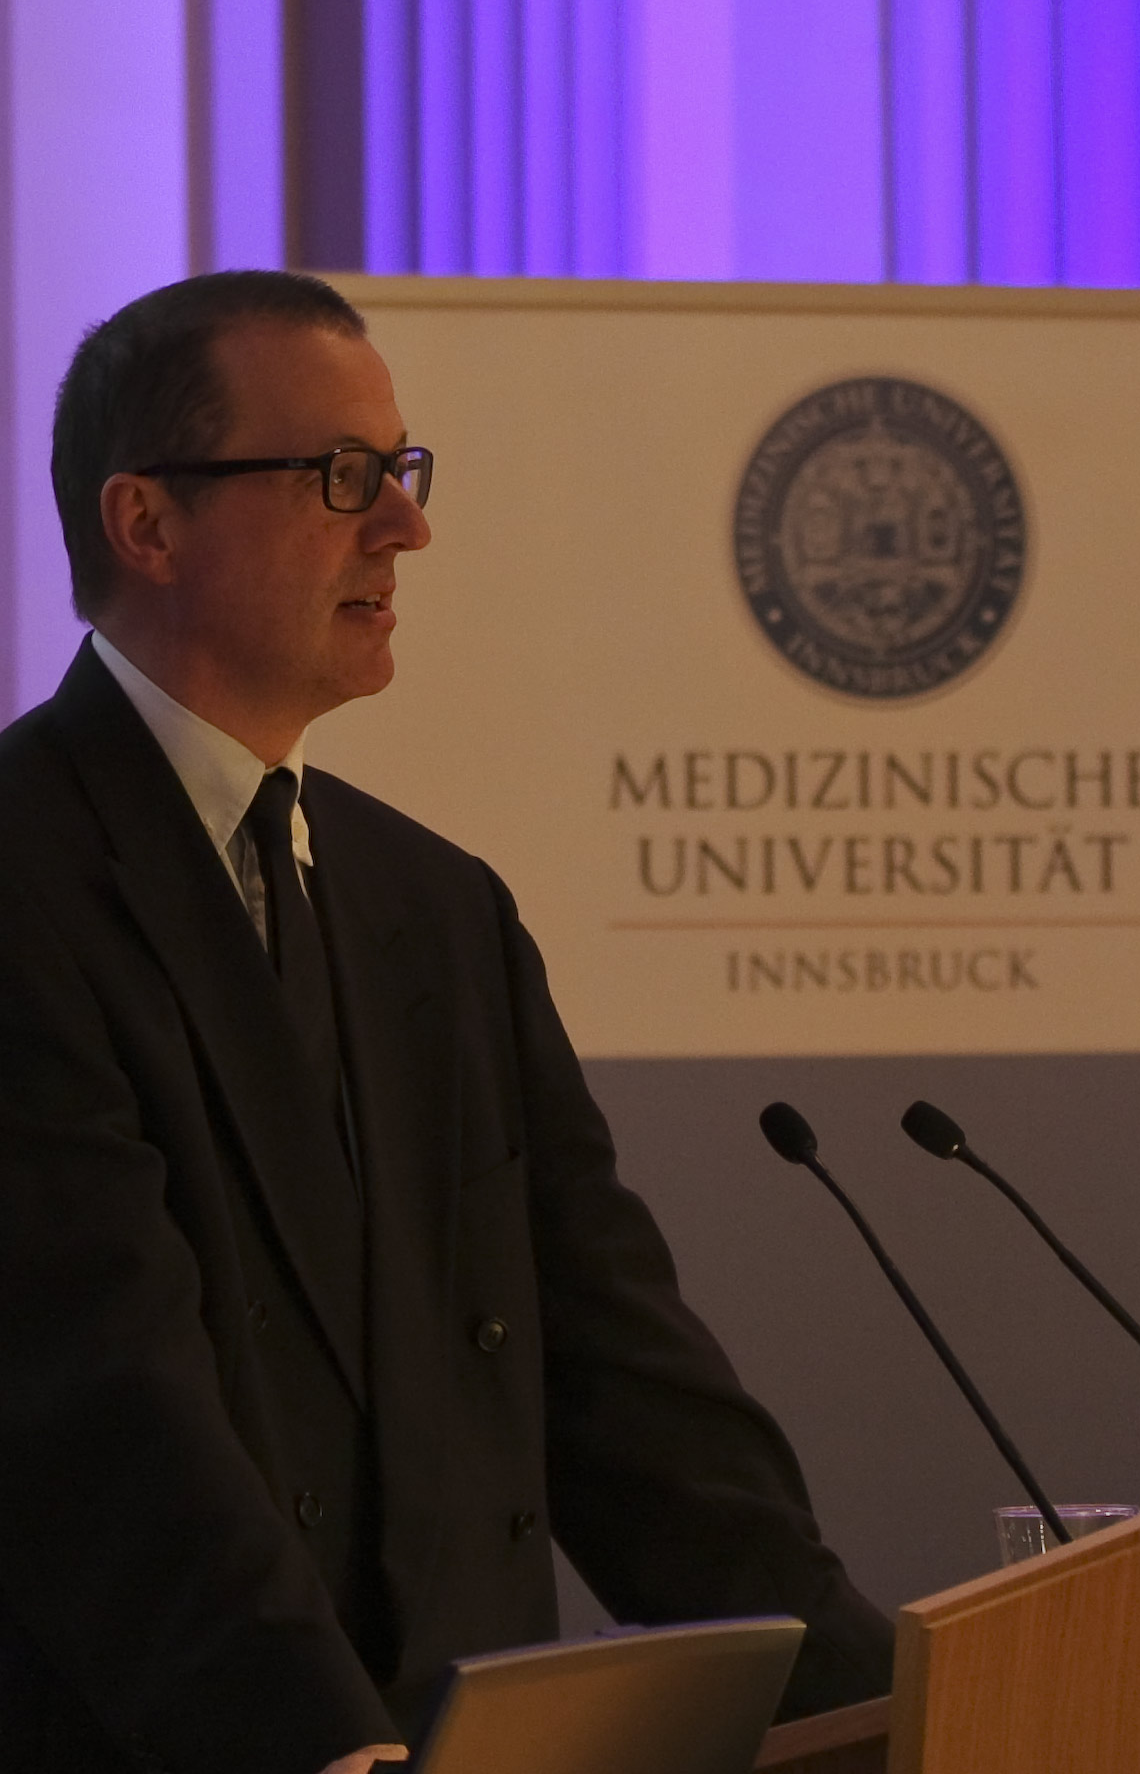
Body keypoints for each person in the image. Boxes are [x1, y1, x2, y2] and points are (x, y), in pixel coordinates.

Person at [0, 271, 893, 1774]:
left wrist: (885, 1709)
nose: (405, 527)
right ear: (146, 522)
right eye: (341, 476)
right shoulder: (23, 876)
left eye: (401, 470)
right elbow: (102, 1409)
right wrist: (332, 1754)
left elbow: (622, 1384)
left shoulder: (440, 907)